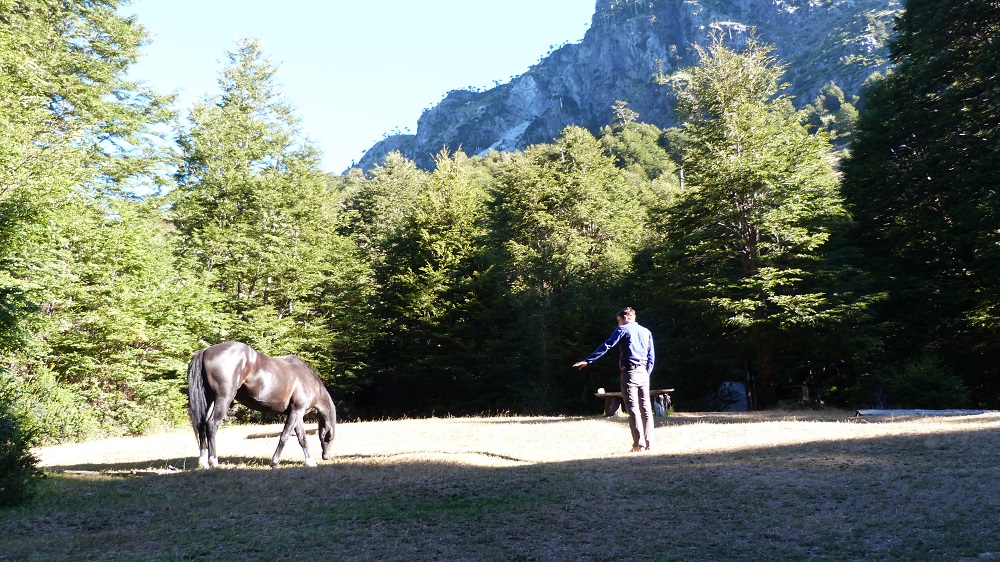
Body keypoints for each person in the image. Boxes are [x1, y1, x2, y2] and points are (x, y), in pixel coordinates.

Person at [573, 307, 655, 452]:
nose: (618, 324)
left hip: (629, 372)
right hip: (643, 372)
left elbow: (607, 345)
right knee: (646, 409)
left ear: (624, 317)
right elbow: (651, 357)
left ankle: (638, 445)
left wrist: (588, 360)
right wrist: (646, 373)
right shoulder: (646, 331)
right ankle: (649, 444)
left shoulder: (623, 329)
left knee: (633, 409)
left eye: (618, 321)